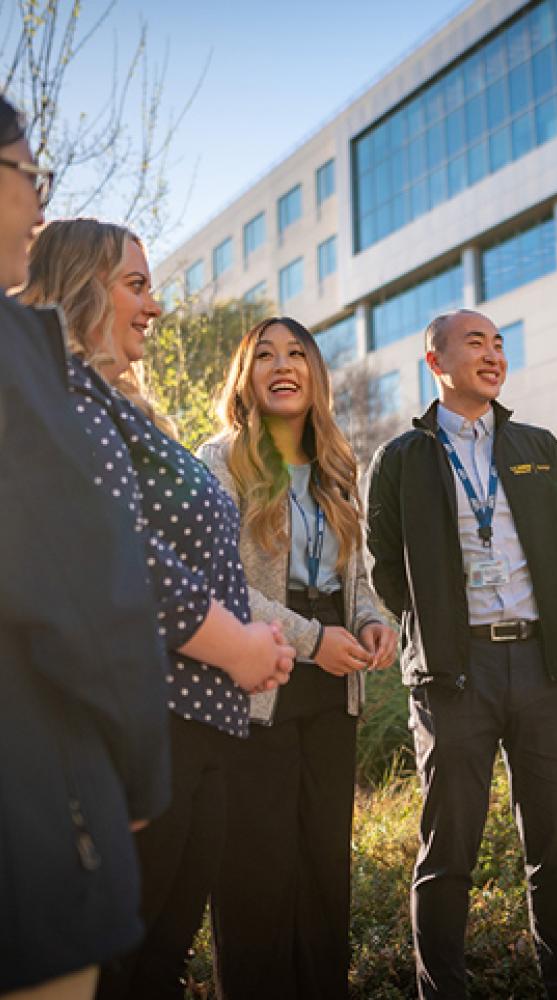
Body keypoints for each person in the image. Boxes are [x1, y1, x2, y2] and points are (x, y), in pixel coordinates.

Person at [20, 218, 295, 1000]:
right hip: (146, 727)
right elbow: (121, 553)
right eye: (136, 285)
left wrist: (256, 638)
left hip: (202, 728)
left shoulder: (129, 411)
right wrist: (239, 646)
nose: (156, 307)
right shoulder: (63, 398)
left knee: (159, 967)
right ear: (80, 286)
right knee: (122, 971)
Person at [0, 96, 170, 1000]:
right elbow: (88, 582)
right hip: (29, 811)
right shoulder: (23, 362)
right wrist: (138, 777)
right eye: (28, 176)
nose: (37, 204)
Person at [366, 309, 557, 1000]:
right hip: (454, 675)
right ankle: (443, 992)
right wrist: (435, 629)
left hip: (545, 666)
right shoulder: (401, 457)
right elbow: (384, 568)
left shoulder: (538, 445)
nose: (493, 354)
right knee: (447, 851)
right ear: (436, 362)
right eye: (475, 343)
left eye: (499, 344)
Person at [197, 316, 395, 999]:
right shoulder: (219, 461)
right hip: (259, 689)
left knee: (321, 874)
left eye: (297, 354)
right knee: (255, 875)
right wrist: (313, 641)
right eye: (266, 356)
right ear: (245, 377)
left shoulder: (338, 467)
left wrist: (373, 625)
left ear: (315, 372)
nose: (284, 365)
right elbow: (222, 586)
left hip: (332, 697)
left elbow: (357, 582)